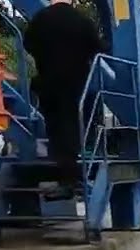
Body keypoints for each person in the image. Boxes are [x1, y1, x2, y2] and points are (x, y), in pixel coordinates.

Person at [23, 0, 105, 182]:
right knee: (73, 123)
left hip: (48, 80)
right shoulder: (82, 21)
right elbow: (97, 47)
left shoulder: (40, 19)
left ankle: (58, 161)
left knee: (54, 123)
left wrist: (43, 56)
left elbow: (27, 43)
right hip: (75, 81)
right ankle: (70, 170)